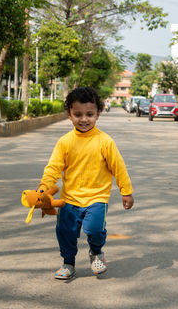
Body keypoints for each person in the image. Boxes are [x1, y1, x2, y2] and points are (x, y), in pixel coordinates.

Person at [38, 87, 134, 280]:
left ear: (98, 114)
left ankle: (96, 252)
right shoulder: (65, 142)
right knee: (65, 231)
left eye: (89, 114)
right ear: (69, 115)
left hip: (97, 197)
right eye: (78, 114)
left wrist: (126, 191)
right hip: (69, 199)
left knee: (95, 229)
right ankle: (68, 263)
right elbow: (53, 168)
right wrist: (44, 188)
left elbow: (118, 167)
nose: (84, 119)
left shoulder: (105, 141)